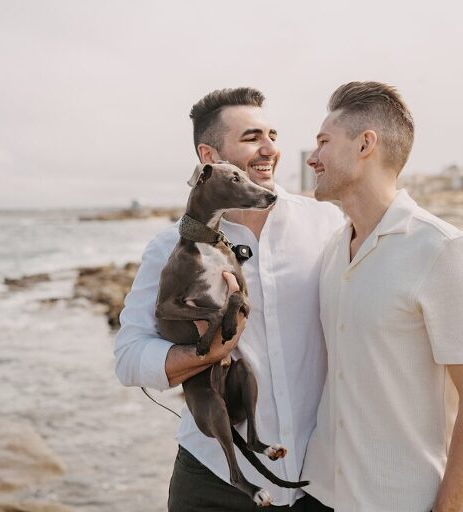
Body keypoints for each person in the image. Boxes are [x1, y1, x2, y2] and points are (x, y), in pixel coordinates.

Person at [114, 87, 344, 511]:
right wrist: (208, 352)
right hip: (214, 482)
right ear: (209, 156)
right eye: (251, 137)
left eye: (272, 134)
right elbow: (129, 356)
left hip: (325, 479)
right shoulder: (170, 247)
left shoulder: (328, 222)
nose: (269, 148)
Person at [301, 82, 463, 512]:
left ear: (365, 144)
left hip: (399, 499)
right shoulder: (334, 249)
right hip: (319, 493)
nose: (313, 158)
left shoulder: (443, 250)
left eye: (323, 142)